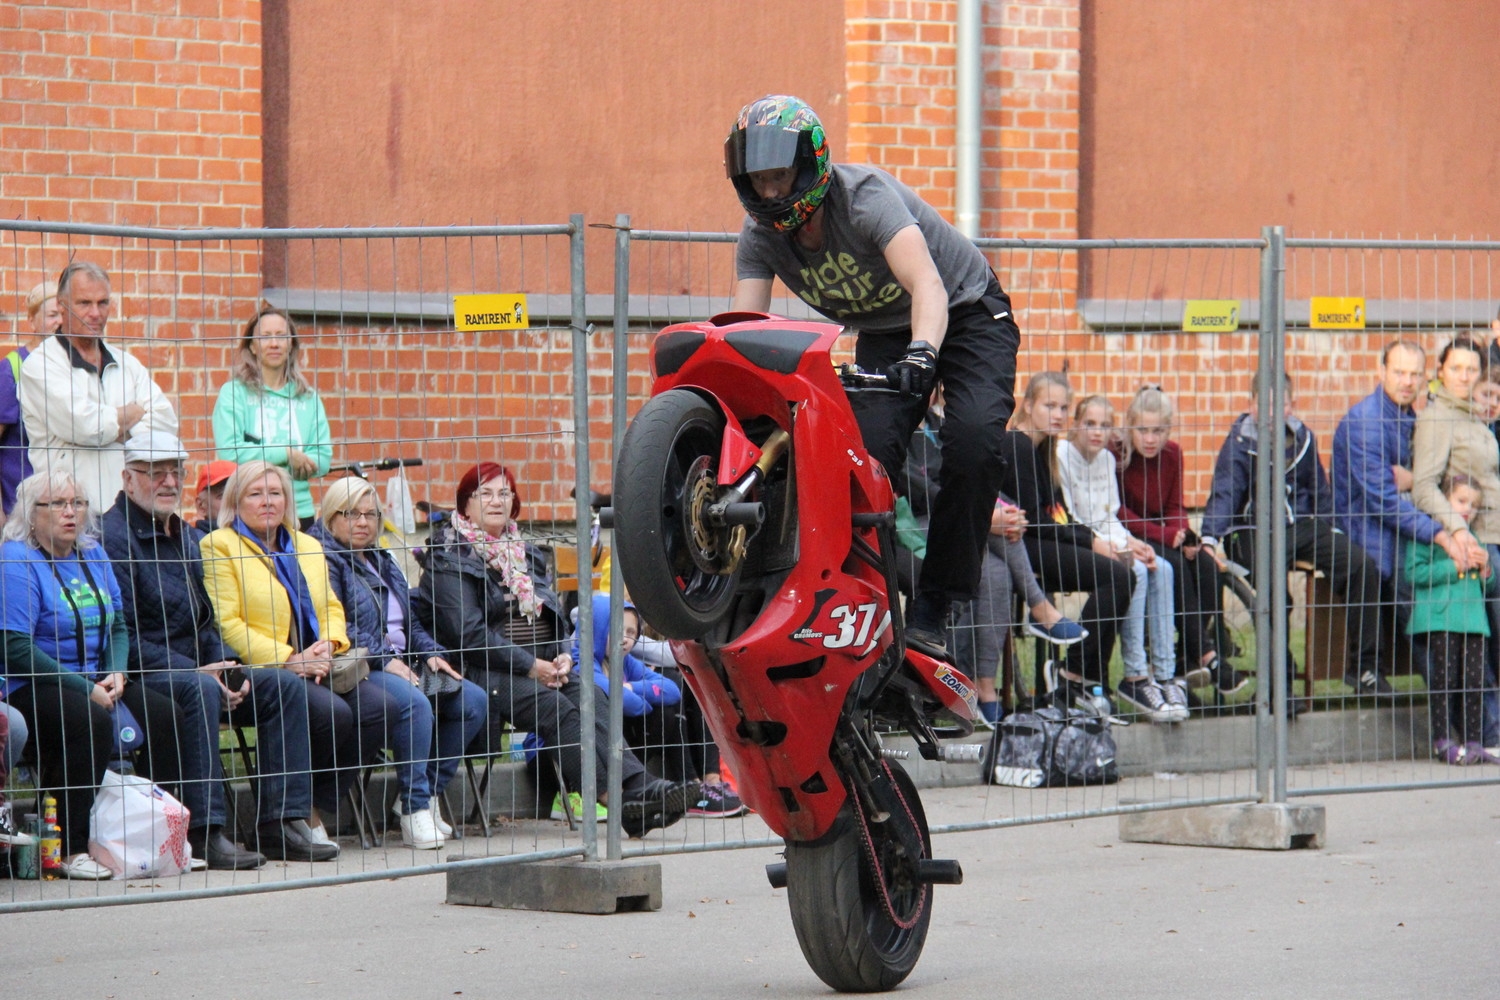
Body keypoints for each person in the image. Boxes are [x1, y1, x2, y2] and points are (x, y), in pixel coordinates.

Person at [725, 95, 1020, 654]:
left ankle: (936, 607)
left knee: (974, 442)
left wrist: (924, 355)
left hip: (966, 309)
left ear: (810, 165)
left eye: (780, 176)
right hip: (886, 330)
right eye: (758, 180)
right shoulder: (759, 236)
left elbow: (928, 286)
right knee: (861, 464)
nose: (770, 193)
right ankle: (858, 610)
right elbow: (747, 331)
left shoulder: (863, 199)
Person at [412, 462, 698, 837]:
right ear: (465, 505)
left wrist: (561, 653)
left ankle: (637, 790)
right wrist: (533, 666)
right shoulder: (447, 556)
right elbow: (469, 635)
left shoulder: (526, 553)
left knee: (590, 692)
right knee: (556, 707)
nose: (497, 501)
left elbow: (554, 616)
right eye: (485, 493)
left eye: (504, 493)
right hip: (481, 670)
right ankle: (621, 800)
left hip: (539, 664)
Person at [0, 469, 185, 879]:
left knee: (165, 713)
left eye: (78, 504)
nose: (72, 513)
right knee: (90, 721)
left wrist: (117, 672)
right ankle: (69, 847)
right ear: (31, 514)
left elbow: (118, 625)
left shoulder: (93, 553)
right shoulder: (16, 558)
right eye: (58, 505)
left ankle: (162, 839)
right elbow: (14, 648)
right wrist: (84, 688)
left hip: (96, 677)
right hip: (31, 683)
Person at [100, 429, 265, 869]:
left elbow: (205, 618)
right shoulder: (113, 538)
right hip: (144, 669)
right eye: (156, 473)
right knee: (201, 690)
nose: (169, 482)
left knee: (280, 687)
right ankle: (207, 831)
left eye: (175, 472)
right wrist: (200, 672)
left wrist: (226, 665)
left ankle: (284, 821)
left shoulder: (187, 535)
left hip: (197, 665)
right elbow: (124, 636)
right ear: (128, 478)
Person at [308, 477, 487, 849]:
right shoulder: (324, 558)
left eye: (370, 514)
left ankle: (419, 797)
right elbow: (342, 624)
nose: (362, 522)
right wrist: (387, 659)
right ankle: (416, 809)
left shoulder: (381, 558)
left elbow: (411, 622)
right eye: (350, 513)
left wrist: (431, 653)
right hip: (358, 666)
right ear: (330, 516)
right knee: (414, 704)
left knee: (472, 701)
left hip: (401, 662)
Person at [1201, 373, 1390, 703]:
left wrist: (1333, 530)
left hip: (1299, 525)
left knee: (1361, 565)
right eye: (1264, 405)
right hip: (1252, 531)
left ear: (1291, 405)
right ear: (1251, 405)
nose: (1272, 414)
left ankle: (1364, 667)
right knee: (1276, 594)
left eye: (1280, 405)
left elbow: (1318, 490)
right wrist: (1209, 537)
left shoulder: (1303, 438)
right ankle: (1280, 683)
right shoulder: (1239, 442)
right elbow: (1226, 492)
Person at [200, 460, 351, 862]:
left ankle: (311, 811)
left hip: (319, 662)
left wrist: (329, 645)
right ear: (235, 501)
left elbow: (332, 607)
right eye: (256, 493)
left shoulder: (309, 545)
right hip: (262, 671)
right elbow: (226, 623)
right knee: (332, 713)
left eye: (276, 493)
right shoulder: (219, 546)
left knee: (376, 709)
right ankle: (291, 819)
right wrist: (288, 658)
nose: (268, 501)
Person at [998, 372, 1133, 710]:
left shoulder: (1045, 451)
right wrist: (1090, 543)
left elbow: (1059, 516)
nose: (1058, 414)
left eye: (1063, 407)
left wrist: (1097, 540)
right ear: (1028, 405)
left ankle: (1083, 678)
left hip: (1044, 541)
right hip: (1023, 547)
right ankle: (1073, 672)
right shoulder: (1017, 445)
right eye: (1049, 405)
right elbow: (1037, 522)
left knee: (1120, 573)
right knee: (1116, 577)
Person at [1057, 395, 1182, 722]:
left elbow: (1108, 514)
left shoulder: (1105, 461)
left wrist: (1131, 541)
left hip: (1107, 536)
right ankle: (1136, 675)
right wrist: (1116, 548)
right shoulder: (1061, 455)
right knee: (1136, 571)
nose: (1098, 433)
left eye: (1105, 426)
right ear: (1076, 424)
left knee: (1163, 568)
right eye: (1090, 424)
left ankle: (1165, 676)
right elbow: (1071, 517)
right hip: (1079, 541)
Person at [1117, 385, 1248, 696]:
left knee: (1203, 562)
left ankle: (1188, 657)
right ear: (1130, 425)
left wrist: (1187, 536)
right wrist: (1168, 535)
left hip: (1163, 535)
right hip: (1131, 536)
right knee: (1175, 563)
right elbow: (1118, 511)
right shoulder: (1117, 453)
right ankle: (1208, 656)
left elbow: (1176, 505)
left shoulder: (1173, 454)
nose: (1150, 439)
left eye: (1158, 431)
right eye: (1143, 430)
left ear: (1168, 430)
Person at [19, 261, 178, 508]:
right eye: (84, 303)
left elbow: (166, 423)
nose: (95, 313)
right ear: (62, 306)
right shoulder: (40, 365)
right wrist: (132, 416)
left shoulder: (127, 364)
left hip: (130, 514)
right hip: (69, 512)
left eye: (102, 303)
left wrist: (107, 428)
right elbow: (85, 426)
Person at [1410, 335, 1500, 745]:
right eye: (1456, 368)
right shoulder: (1438, 418)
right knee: (1483, 646)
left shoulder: (1472, 415)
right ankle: (1487, 732)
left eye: (1471, 369)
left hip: (1493, 538)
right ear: (1441, 371)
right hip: (1476, 543)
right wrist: (1458, 530)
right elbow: (1424, 487)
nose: (1464, 376)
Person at [1406, 474, 1498, 764]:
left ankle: (1473, 740)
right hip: (1441, 618)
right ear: (1443, 499)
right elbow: (1414, 573)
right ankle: (1443, 739)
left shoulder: (1476, 539)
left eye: (1472, 505)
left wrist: (1486, 572)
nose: (1466, 509)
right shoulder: (1429, 537)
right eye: (1460, 501)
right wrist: (1454, 565)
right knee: (1445, 680)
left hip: (1472, 621)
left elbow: (1489, 586)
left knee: (1473, 681)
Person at [212, 307, 332, 528]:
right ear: (252, 346)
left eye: (281, 336)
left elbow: (323, 458)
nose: (274, 344)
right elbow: (229, 452)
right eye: (265, 337)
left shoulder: (308, 398)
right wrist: (287, 455)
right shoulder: (234, 394)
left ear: (291, 345)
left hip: (299, 512)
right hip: (250, 513)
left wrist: (263, 456)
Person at [1, 281, 63, 523]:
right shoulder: (12, 369)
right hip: (19, 508)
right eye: (51, 315)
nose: (59, 322)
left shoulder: (69, 367)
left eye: (63, 314)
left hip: (62, 509)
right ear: (32, 320)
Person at [193, 459, 236, 533]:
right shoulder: (194, 542)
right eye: (222, 496)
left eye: (240, 494)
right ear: (201, 506)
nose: (235, 501)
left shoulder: (258, 536)